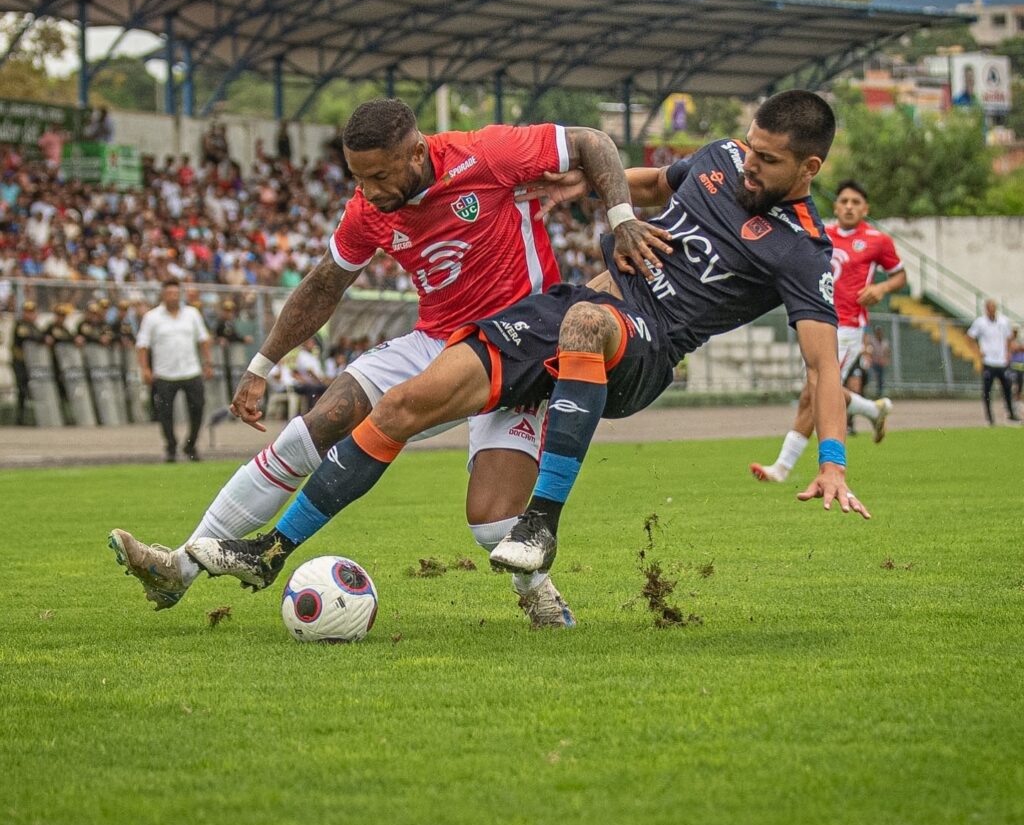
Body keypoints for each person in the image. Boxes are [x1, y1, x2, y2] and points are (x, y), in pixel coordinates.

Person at [184, 90, 870, 602]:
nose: (748, 164)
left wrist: (833, 461)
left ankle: (542, 522)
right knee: (400, 406)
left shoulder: (804, 252)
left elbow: (823, 366)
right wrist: (585, 188)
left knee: (585, 325)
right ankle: (271, 549)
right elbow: (661, 183)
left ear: (809, 167)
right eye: (749, 147)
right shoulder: (721, 159)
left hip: (647, 346)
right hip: (571, 306)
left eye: (767, 160)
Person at [109, 97, 662, 627]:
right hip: (435, 341)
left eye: (378, 176)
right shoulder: (366, 210)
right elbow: (324, 285)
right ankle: (178, 568)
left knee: (493, 525)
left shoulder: (487, 154)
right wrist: (261, 366)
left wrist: (621, 220)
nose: (368, 191)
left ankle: (536, 590)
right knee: (315, 426)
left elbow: (593, 141)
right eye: (358, 178)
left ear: (417, 152)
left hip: (521, 347)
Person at [750, 179, 906, 483]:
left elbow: (900, 276)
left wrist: (881, 288)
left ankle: (781, 467)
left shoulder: (877, 240)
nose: (849, 207)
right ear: (835, 206)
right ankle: (873, 411)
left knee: (813, 392)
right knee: (822, 390)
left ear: (865, 209)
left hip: (848, 326)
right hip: (818, 320)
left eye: (856, 202)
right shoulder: (821, 233)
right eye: (844, 201)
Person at [136, 279, 214, 462]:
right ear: (163, 295)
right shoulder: (152, 317)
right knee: (165, 413)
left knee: (198, 408)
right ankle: (171, 446)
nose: (173, 297)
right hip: (164, 373)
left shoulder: (192, 314)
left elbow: (203, 339)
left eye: (176, 293)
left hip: (191, 370)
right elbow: (142, 345)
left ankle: (191, 444)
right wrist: (145, 369)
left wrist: (208, 363)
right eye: (169, 293)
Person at [966, 299, 1019, 425]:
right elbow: (969, 337)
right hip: (988, 361)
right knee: (987, 391)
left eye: (993, 308)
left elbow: (1009, 338)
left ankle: (1011, 414)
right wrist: (978, 352)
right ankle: (990, 417)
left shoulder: (1003, 321)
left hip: (1002, 361)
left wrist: (1008, 353)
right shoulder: (980, 322)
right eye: (989, 308)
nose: (991, 310)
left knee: (1007, 388)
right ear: (986, 309)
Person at [11, 300, 45, 425]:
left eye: (31, 312)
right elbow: (26, 336)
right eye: (27, 312)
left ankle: (35, 417)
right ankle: (20, 418)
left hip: (32, 363)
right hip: (20, 362)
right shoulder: (20, 324)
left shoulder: (34, 326)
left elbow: (41, 336)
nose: (29, 314)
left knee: (31, 389)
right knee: (22, 388)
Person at [866, 324, 891, 398]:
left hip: (881, 363)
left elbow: (887, 352)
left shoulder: (885, 342)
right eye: (877, 331)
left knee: (880, 379)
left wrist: (885, 359)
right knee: (869, 376)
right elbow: (869, 350)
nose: (879, 333)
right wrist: (869, 359)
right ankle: (865, 392)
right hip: (873, 362)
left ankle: (879, 394)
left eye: (880, 331)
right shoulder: (872, 340)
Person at [1010, 326, 1024, 411]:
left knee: (1020, 386)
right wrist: (1019, 348)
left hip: (1021, 368)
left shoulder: (1019, 340)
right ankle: (1012, 402)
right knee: (1014, 386)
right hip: (1013, 368)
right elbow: (1013, 348)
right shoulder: (1010, 341)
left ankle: (1017, 402)